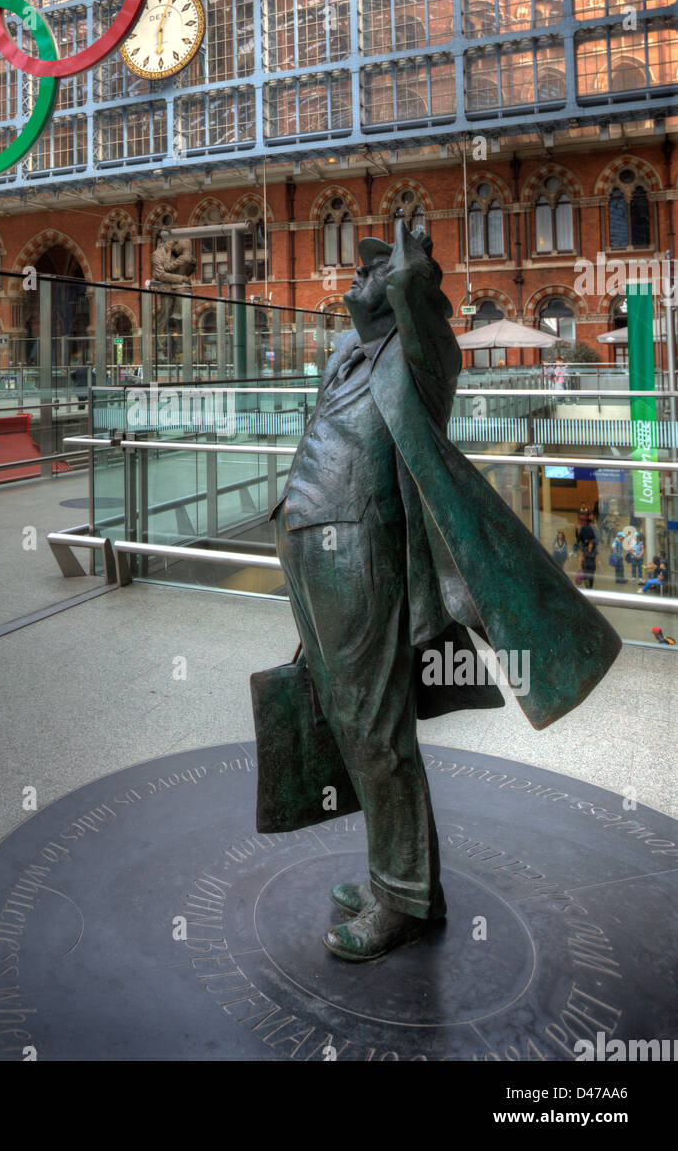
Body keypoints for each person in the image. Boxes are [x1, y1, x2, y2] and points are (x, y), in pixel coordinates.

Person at [264, 219, 621, 964]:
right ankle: (403, 882)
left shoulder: (422, 357)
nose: (354, 281)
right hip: (311, 550)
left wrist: (409, 259)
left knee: (373, 727)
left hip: (360, 550)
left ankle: (400, 897)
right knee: (350, 721)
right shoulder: (348, 354)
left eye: (371, 273)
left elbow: (414, 297)